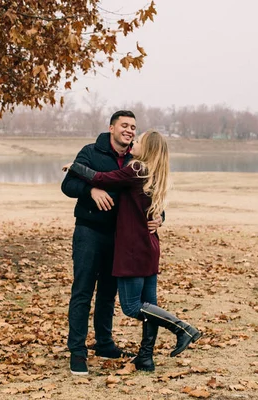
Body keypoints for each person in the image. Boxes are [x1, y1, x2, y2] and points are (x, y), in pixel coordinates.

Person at [63, 129, 202, 373]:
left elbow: (102, 179)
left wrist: (75, 167)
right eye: (128, 130)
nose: (133, 139)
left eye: (137, 138)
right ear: (113, 127)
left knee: (131, 306)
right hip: (147, 244)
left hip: (132, 246)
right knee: (150, 304)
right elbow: (148, 206)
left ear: (146, 148)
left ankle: (181, 328)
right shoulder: (155, 172)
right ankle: (145, 357)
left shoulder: (137, 168)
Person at [61, 111, 162, 375]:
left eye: (133, 127)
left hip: (121, 239)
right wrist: (90, 190)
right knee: (83, 292)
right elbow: (68, 184)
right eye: (125, 126)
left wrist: (160, 217)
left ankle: (104, 343)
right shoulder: (91, 151)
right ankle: (78, 352)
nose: (129, 131)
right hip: (89, 231)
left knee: (108, 293)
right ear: (112, 128)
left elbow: (151, 193)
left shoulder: (136, 159)